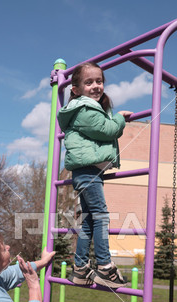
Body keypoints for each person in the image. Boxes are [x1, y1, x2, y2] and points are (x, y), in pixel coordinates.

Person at [57, 62, 133, 288]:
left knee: (90, 221)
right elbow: (108, 130)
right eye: (88, 82)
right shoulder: (84, 109)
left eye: (99, 81)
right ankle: (105, 268)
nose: (96, 86)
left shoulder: (90, 107)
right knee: (100, 217)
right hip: (88, 172)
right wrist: (119, 118)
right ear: (76, 90)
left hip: (89, 172)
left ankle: (80, 269)